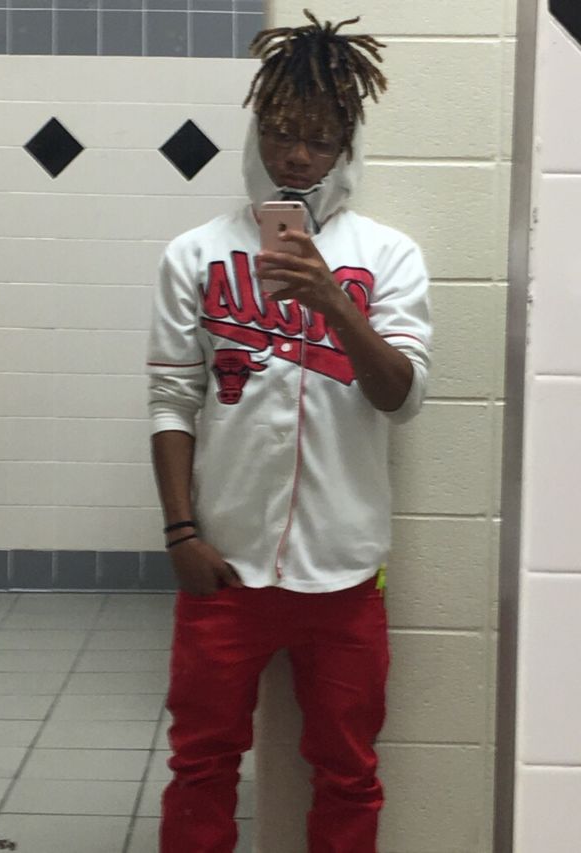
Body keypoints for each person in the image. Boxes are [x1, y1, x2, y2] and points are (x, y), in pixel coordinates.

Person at [147, 10, 432, 853]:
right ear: (257, 133)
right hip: (224, 564)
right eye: (280, 133)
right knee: (201, 762)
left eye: (317, 138)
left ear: (347, 145)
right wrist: (180, 532)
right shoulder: (194, 254)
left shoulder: (389, 255)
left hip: (345, 571)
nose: (297, 156)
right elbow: (171, 397)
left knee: (348, 770)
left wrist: (334, 300)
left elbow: (402, 397)